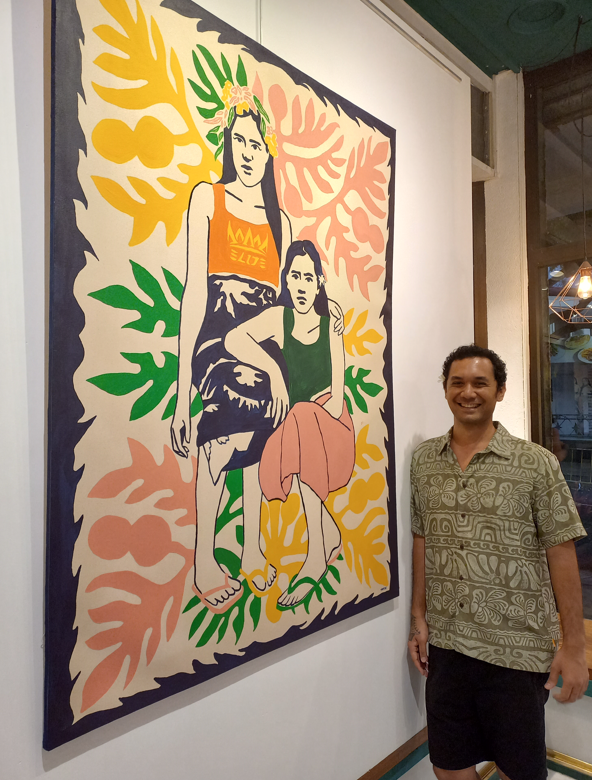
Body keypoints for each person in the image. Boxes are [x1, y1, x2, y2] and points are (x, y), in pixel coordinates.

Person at [408, 344, 588, 780]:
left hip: (517, 649)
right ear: (446, 389)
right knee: (448, 765)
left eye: (480, 383)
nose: (468, 392)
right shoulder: (424, 460)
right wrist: (418, 618)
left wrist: (574, 647)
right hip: (448, 643)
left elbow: (562, 553)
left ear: (500, 391)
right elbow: (422, 537)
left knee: (518, 770)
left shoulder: (536, 463)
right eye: (457, 383)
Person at [171, 98, 291, 613]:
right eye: (238, 141)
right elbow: (194, 293)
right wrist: (183, 396)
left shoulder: (280, 221)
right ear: (228, 146)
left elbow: (283, 306)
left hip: (262, 340)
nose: (246, 152)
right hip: (217, 337)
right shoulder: (208, 198)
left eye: (255, 144)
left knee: (270, 418)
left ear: (268, 152)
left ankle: (251, 547)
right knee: (233, 410)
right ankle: (204, 558)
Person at [225, 240, 354, 608]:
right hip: (300, 430)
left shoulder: (331, 324)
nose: (300, 285)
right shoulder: (280, 319)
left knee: (300, 416)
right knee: (294, 421)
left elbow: (338, 400)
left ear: (319, 282)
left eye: (308, 277)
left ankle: (316, 556)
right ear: (287, 280)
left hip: (334, 428)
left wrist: (307, 412)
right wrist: (271, 370)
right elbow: (234, 339)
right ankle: (328, 537)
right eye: (294, 276)